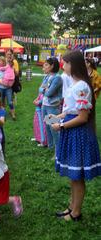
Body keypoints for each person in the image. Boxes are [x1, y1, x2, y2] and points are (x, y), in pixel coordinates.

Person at [51, 51, 101, 221]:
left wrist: (62, 125)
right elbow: (71, 111)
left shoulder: (81, 86)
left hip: (78, 134)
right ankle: (72, 206)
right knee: (74, 175)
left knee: (77, 176)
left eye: (64, 63)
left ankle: (76, 211)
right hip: (72, 132)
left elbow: (82, 117)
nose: (62, 66)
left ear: (73, 64)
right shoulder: (75, 84)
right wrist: (58, 117)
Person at [40, 57, 63, 150]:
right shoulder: (46, 77)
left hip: (52, 106)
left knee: (53, 128)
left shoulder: (57, 78)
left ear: (52, 66)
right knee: (47, 127)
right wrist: (44, 90)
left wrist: (44, 90)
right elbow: (40, 89)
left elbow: (49, 93)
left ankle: (58, 150)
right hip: (45, 105)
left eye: (46, 65)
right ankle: (50, 147)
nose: (43, 67)